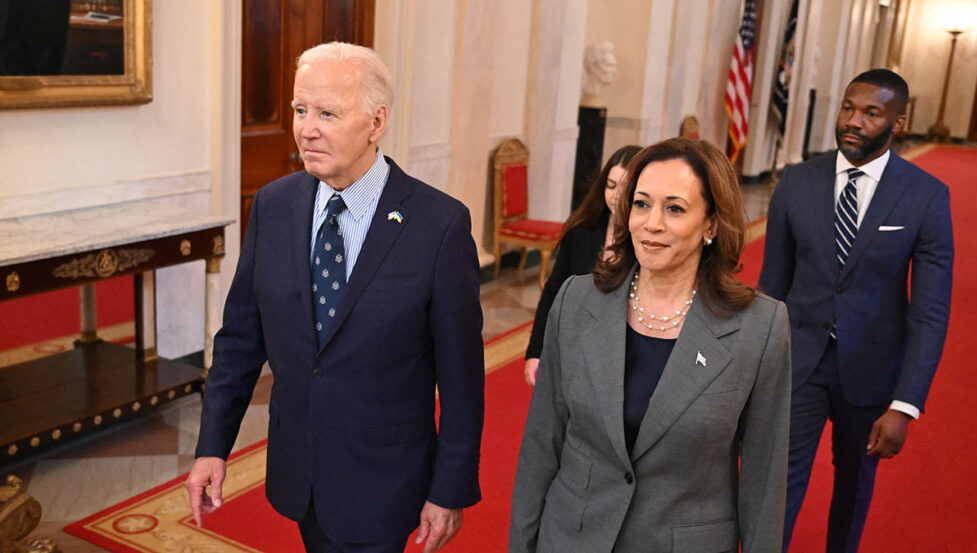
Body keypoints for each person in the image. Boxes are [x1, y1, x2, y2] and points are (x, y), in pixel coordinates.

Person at [185, 42, 485, 553]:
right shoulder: (274, 206)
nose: (307, 128)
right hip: (299, 471)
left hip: (386, 479)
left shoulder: (440, 225)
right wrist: (212, 446)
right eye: (301, 110)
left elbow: (460, 377)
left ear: (376, 121)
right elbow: (239, 341)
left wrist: (449, 487)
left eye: (328, 112)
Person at [510, 138, 791, 553]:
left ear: (711, 224)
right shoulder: (576, 301)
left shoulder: (759, 328)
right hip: (571, 537)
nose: (651, 223)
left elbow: (764, 480)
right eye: (641, 204)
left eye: (674, 208)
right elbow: (541, 444)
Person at [758, 69, 954, 553]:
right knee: (775, 487)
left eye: (871, 113)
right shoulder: (797, 182)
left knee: (852, 490)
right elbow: (772, 286)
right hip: (797, 362)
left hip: (870, 373)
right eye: (848, 108)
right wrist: (756, 370)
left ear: (898, 122)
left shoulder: (925, 196)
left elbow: (930, 311)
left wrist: (905, 406)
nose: (854, 121)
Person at [523, 145, 641, 386]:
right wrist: (536, 350)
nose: (616, 195)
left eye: (625, 187)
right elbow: (553, 292)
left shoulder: (650, 240)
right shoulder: (582, 230)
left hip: (625, 356)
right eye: (611, 186)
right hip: (575, 347)